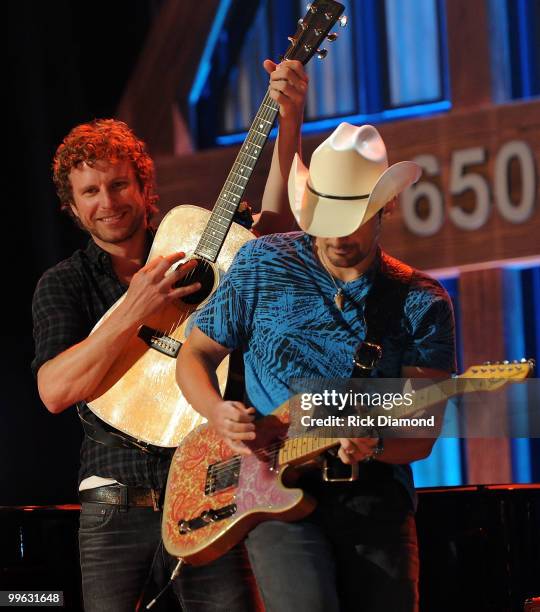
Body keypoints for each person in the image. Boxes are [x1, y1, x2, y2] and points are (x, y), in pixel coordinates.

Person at [31, 59, 308, 611]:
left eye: (118, 184)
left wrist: (290, 121)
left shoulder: (193, 240)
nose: (107, 203)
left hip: (212, 486)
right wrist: (136, 307)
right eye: (90, 192)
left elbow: (274, 227)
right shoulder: (63, 284)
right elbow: (55, 392)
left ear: (143, 185)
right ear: (71, 204)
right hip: (115, 502)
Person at [177, 122, 456, 612]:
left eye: (355, 218)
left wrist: (376, 445)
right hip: (271, 490)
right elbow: (194, 357)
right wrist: (219, 412)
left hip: (375, 502)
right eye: (325, 218)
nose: (338, 235)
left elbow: (421, 431)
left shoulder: (422, 302)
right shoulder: (263, 263)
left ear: (385, 208)